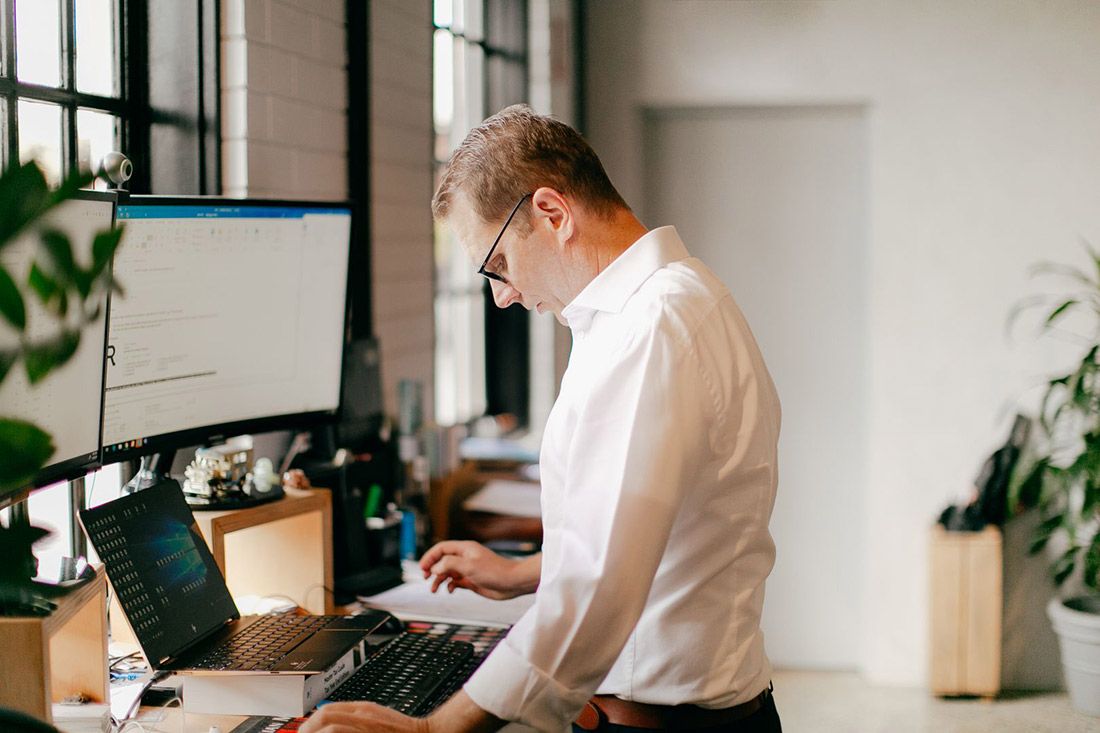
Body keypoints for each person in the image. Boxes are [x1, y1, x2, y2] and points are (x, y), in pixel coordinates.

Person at [302, 105, 782, 733]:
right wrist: (525, 572)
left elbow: (600, 582)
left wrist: (436, 729)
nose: (501, 295)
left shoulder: (650, 328)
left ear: (552, 214)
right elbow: (651, 528)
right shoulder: (678, 297)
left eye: (496, 265)